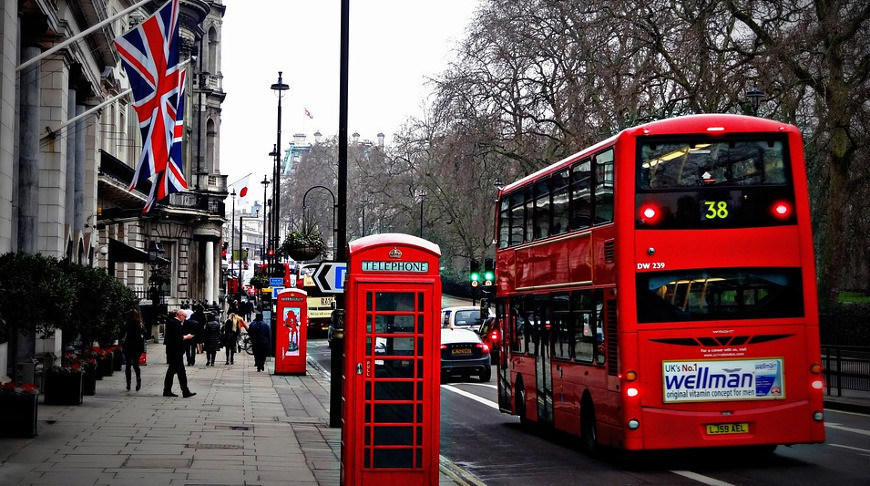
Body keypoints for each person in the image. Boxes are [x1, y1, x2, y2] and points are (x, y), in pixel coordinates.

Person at [164, 308, 197, 398]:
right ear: (179, 315)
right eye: (184, 317)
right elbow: (178, 338)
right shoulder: (176, 323)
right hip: (176, 352)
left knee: (172, 372)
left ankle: (168, 390)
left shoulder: (172, 322)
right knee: (180, 372)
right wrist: (187, 337)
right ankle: (184, 391)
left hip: (173, 352)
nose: (185, 319)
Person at [119, 309, 147, 391]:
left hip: (128, 345)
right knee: (135, 364)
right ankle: (138, 379)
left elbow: (121, 334)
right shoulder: (139, 324)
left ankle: (128, 383)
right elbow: (146, 334)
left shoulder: (126, 324)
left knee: (128, 365)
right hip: (137, 346)